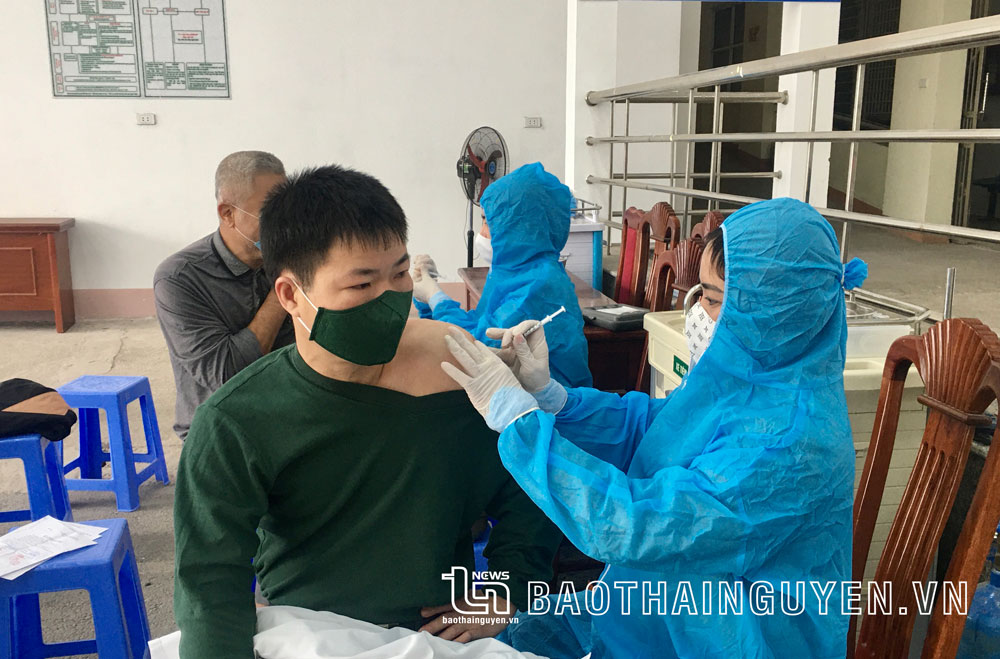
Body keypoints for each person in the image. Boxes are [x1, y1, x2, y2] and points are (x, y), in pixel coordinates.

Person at [440, 197, 867, 658]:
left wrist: (519, 423)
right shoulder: (744, 381)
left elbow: (639, 525)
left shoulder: (789, 445)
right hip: (657, 608)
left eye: (713, 299)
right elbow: (653, 428)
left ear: (770, 315)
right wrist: (552, 399)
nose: (697, 310)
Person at [172, 165, 561, 658]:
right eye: (361, 286)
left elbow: (532, 486)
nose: (390, 301)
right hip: (312, 636)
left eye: (399, 275)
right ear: (291, 296)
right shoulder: (239, 420)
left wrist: (507, 590)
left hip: (442, 640)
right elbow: (209, 580)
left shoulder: (461, 379)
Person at [411, 162, 592, 389]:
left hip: (546, 402)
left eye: (488, 222)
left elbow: (478, 345)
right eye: (482, 220)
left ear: (520, 227)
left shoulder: (540, 285)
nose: (482, 233)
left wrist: (435, 297)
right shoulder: (512, 272)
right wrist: (427, 298)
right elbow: (480, 324)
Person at [154, 150, 294, 439]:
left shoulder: (291, 256)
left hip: (288, 416)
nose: (284, 224)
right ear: (228, 214)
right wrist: (285, 287)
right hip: (222, 432)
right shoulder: (180, 278)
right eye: (270, 214)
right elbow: (228, 374)